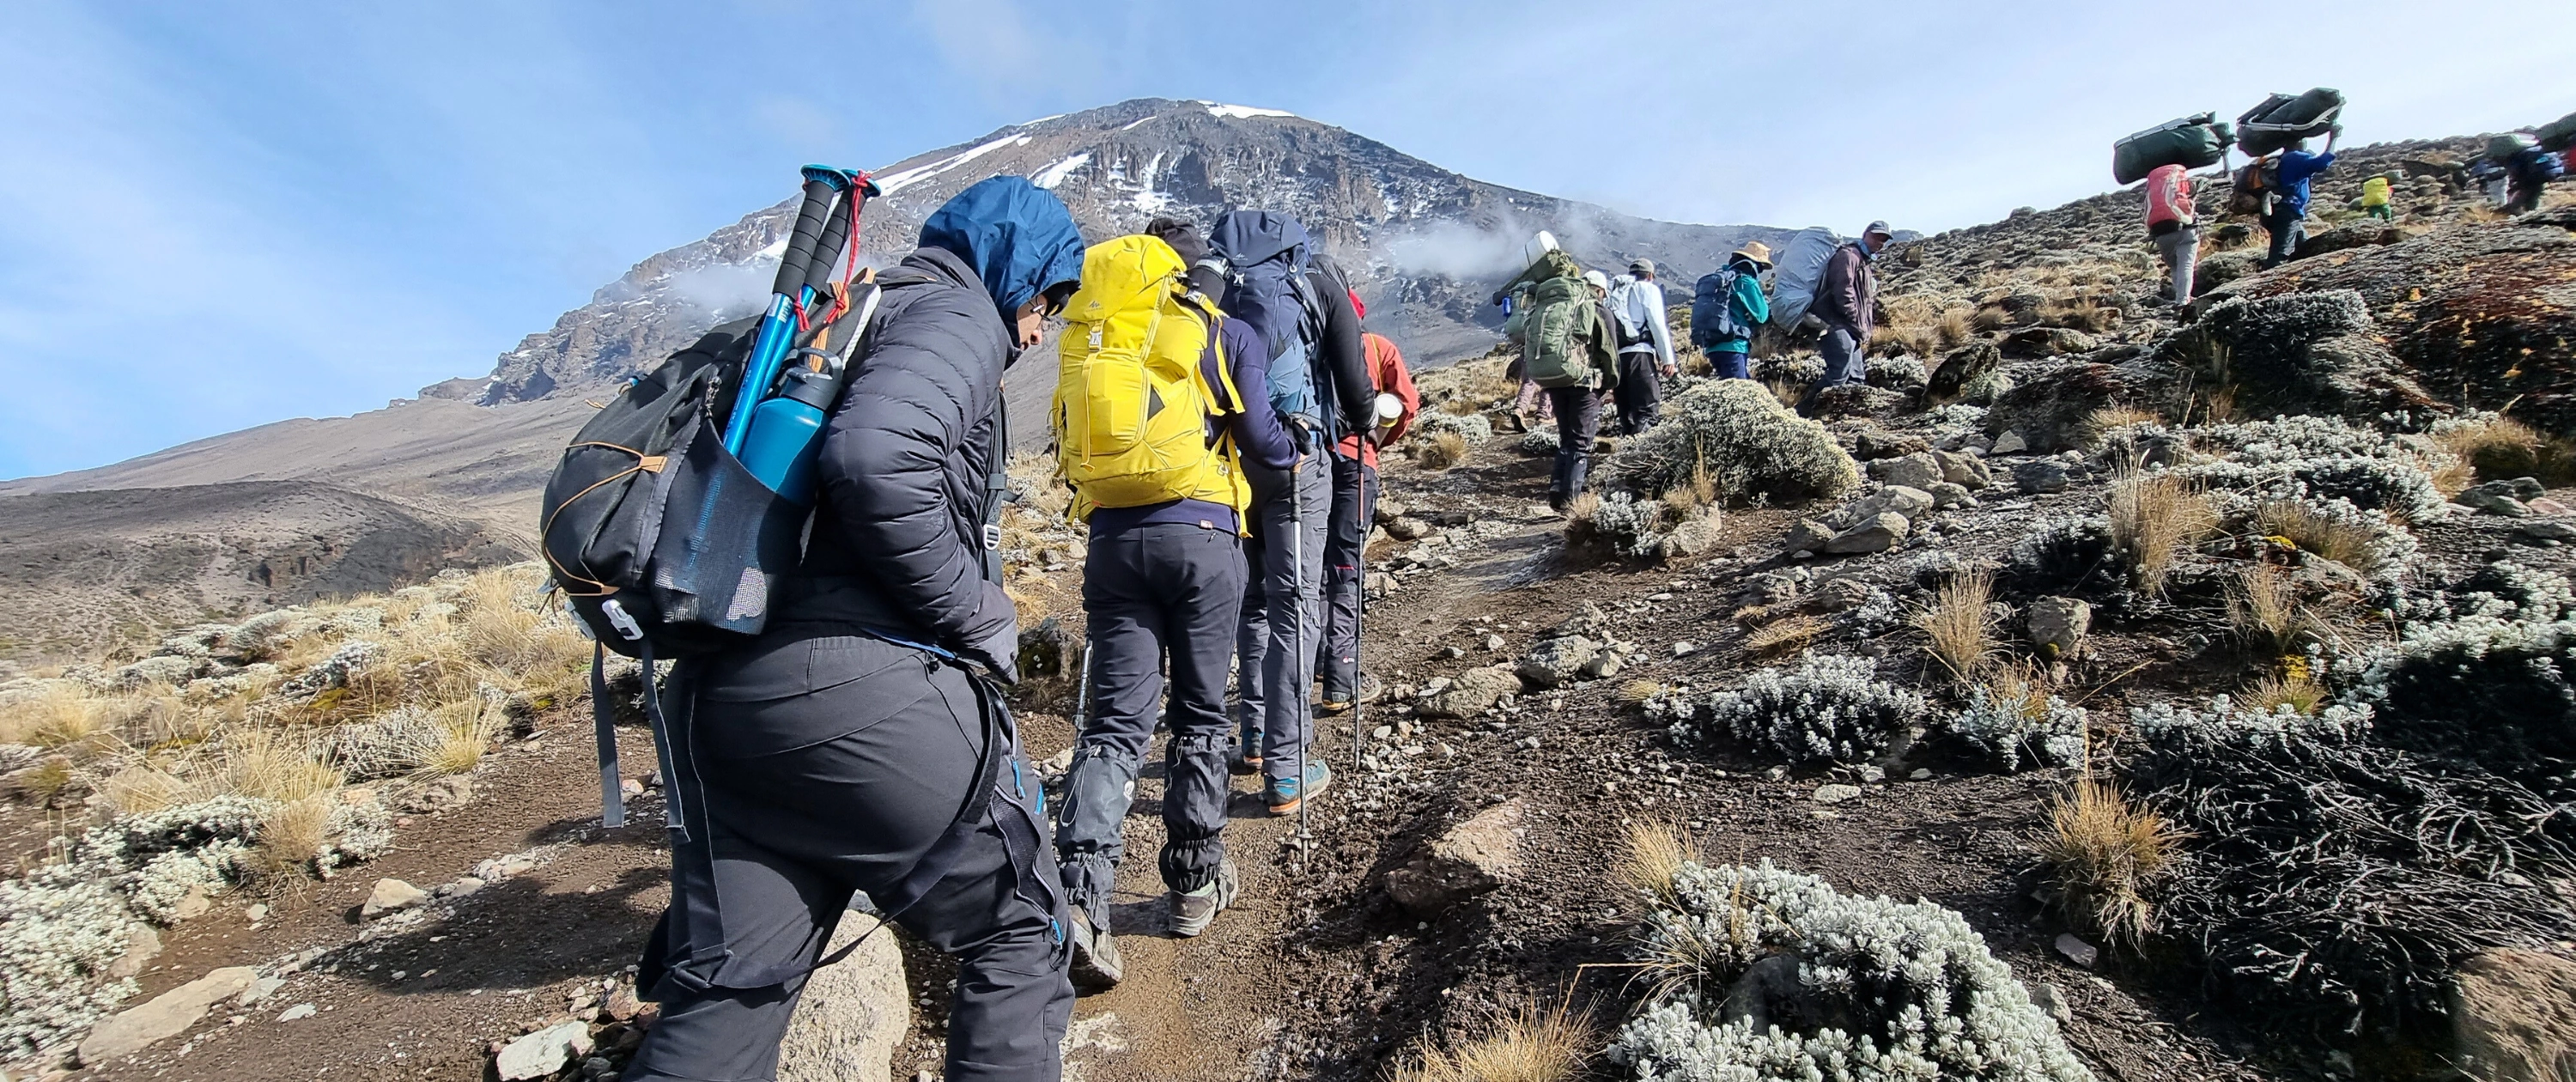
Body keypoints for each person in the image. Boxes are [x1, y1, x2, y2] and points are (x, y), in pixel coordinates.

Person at [623, 175, 1084, 1082]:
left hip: (721, 701)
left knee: (728, 999)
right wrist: (978, 612)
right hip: (854, 696)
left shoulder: (847, 315)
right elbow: (877, 460)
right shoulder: (956, 315)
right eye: (1046, 303)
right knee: (1023, 931)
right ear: (1018, 272)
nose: (1038, 332)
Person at [1052, 219, 1298, 990]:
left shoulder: (1099, 335)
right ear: (1200, 275)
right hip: (1202, 538)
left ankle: (1080, 903)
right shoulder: (1220, 331)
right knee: (1198, 712)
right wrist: (1292, 452)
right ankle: (1193, 883)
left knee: (1113, 724)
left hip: (1112, 541)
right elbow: (1260, 437)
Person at [1211, 210, 1374, 816]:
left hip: (1230, 464)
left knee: (1253, 601)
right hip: (1296, 463)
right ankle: (1287, 769)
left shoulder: (1216, 284)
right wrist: (1360, 420)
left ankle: (1254, 736)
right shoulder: (1318, 283)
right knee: (1297, 603)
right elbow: (1356, 386)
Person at [1317, 325, 1418, 714]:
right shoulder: (1377, 347)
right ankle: (1342, 681)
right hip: (1356, 463)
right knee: (1345, 568)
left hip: (1305, 466)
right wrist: (1376, 440)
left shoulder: (1304, 341)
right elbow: (1406, 403)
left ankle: (1314, 661)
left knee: (1311, 568)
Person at [1498, 237, 1619, 510]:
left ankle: (1556, 493)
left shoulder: (1554, 305)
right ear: (1599, 290)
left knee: (1566, 438)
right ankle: (1572, 502)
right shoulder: (1595, 309)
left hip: (1555, 380)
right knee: (1580, 442)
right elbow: (1609, 352)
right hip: (1585, 383)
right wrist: (1609, 384)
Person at [1806, 221, 1891, 402]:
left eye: (1883, 239)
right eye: (1876, 236)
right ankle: (1803, 411)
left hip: (1849, 326)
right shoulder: (1849, 256)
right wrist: (1855, 318)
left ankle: (1847, 412)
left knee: (1856, 377)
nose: (1879, 242)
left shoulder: (1864, 261)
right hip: (1834, 323)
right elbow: (1843, 291)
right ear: (1865, 234)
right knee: (1839, 373)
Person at [1606, 259, 1677, 435]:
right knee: (1647, 411)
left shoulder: (1615, 292)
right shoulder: (1648, 289)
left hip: (1617, 358)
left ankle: (1625, 446)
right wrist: (1667, 359)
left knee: (1626, 414)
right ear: (1650, 275)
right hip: (1640, 355)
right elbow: (1657, 324)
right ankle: (1638, 449)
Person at [2262, 130, 2338, 268]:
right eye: (2302, 138)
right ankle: (2268, 279)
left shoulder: (2282, 159)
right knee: (2279, 256)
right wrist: (2333, 138)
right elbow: (2321, 164)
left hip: (2277, 210)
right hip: (2288, 210)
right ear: (2297, 142)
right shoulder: (2296, 157)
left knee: (2305, 246)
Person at [1698, 241, 1772, 379]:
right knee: (1738, 388)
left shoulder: (1725, 279)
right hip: (1734, 345)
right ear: (1754, 265)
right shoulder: (1746, 281)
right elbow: (1762, 316)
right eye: (1761, 267)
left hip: (1712, 346)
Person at [2143, 163, 2199, 304]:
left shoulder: (2153, 188)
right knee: (2186, 265)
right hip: (2184, 229)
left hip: (2161, 233)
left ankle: (2180, 298)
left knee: (2174, 267)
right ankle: (2183, 300)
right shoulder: (2181, 181)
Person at [2504, 143, 2564, 213]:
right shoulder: (2533, 151)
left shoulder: (2514, 158)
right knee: (2534, 196)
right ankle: (2532, 211)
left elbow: (2515, 172)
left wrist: (2516, 183)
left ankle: (2522, 214)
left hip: (2531, 179)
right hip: (2542, 176)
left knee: (2516, 203)